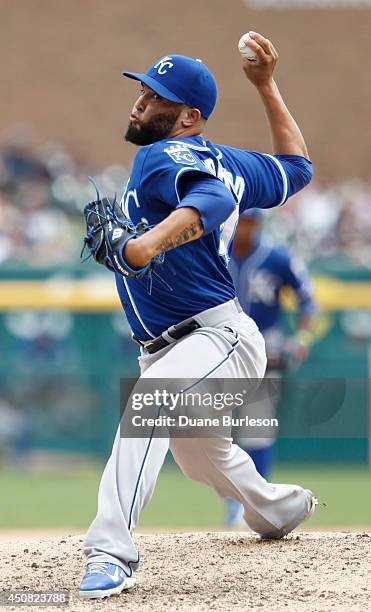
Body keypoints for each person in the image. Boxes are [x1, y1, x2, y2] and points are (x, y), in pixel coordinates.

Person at [79, 32, 316, 600]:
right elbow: (297, 167)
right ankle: (277, 508)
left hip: (216, 337)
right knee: (206, 459)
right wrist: (265, 86)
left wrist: (143, 247)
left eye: (156, 96)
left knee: (149, 403)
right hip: (189, 344)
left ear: (188, 116)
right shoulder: (224, 156)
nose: (140, 100)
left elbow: (209, 201)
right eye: (142, 88)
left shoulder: (164, 155)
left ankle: (110, 550)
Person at [225, 208, 316, 527]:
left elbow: (307, 298)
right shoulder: (214, 254)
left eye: (252, 221)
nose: (247, 228)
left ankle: (257, 504)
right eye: (243, 221)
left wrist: (302, 337)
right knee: (215, 434)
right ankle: (235, 505)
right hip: (221, 351)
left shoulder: (277, 258)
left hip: (264, 352)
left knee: (257, 430)